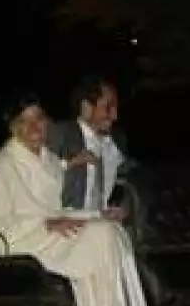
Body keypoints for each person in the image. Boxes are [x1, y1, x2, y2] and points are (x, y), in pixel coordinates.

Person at [0, 92, 151, 306]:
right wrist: (45, 225)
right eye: (24, 121)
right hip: (24, 241)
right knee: (101, 235)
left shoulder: (47, 158)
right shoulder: (1, 168)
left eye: (38, 119)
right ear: (13, 127)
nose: (33, 127)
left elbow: (60, 209)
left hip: (51, 234)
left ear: (47, 122)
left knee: (110, 228)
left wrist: (98, 214)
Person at [48, 74, 134, 216]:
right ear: (86, 107)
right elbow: (38, 172)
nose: (115, 116)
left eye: (116, 108)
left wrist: (124, 206)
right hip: (69, 222)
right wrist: (70, 163)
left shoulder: (116, 142)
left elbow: (130, 178)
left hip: (102, 221)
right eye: (108, 107)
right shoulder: (61, 134)